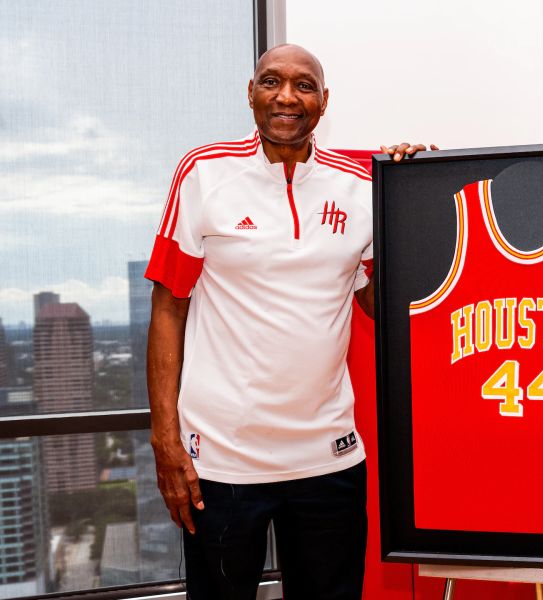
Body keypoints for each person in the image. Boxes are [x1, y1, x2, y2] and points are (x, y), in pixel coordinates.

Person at [145, 44, 432, 599]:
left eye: (305, 86)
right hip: (222, 462)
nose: (286, 97)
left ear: (323, 103)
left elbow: (390, 305)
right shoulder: (204, 173)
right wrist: (165, 442)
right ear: (250, 94)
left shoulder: (363, 186)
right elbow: (168, 306)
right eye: (271, 81)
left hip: (330, 457)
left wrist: (417, 194)